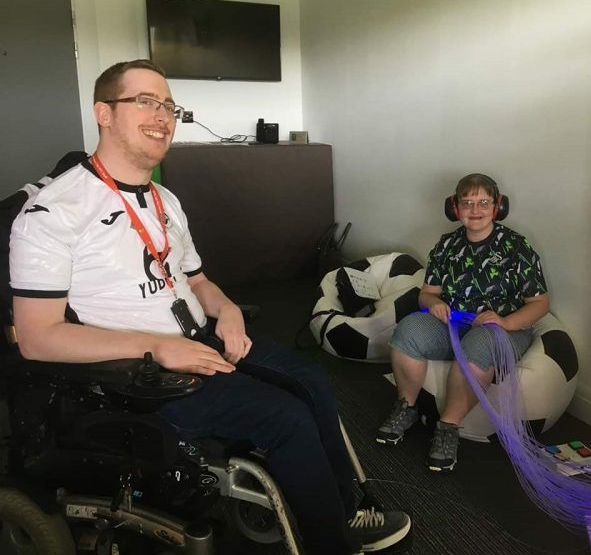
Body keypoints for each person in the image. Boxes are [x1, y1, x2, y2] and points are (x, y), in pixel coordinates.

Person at [9, 59, 410, 555]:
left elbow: (197, 280)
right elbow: (37, 336)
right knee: (285, 416)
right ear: (104, 113)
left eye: (169, 106)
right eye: (146, 102)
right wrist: (159, 348)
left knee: (312, 380)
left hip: (201, 335)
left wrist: (228, 311)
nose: (163, 116)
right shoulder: (52, 212)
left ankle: (347, 506)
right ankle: (334, 540)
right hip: (134, 373)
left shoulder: (165, 200)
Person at [375, 173, 549, 471]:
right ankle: (407, 407)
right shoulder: (446, 245)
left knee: (478, 346)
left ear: (498, 207)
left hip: (501, 329)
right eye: (467, 203)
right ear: (454, 208)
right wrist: (436, 304)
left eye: (484, 202)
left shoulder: (516, 246)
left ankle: (448, 427)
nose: (475, 209)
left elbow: (540, 304)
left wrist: (505, 322)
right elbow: (427, 294)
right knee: (409, 331)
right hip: (454, 324)